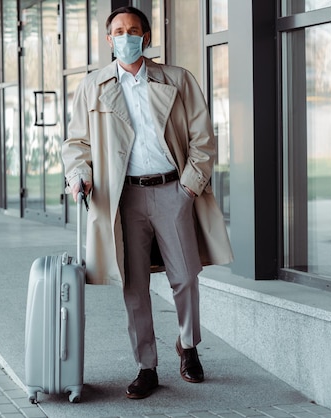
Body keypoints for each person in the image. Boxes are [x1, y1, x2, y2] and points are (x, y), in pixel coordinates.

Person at [62, 6, 233, 400]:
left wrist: (189, 188)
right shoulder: (93, 86)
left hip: (174, 190)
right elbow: (76, 144)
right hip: (123, 198)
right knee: (134, 285)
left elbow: (203, 140)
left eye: (133, 30)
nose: (126, 37)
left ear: (147, 37)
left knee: (186, 275)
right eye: (118, 31)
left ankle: (187, 346)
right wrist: (79, 176)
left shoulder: (178, 80)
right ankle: (146, 365)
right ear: (109, 40)